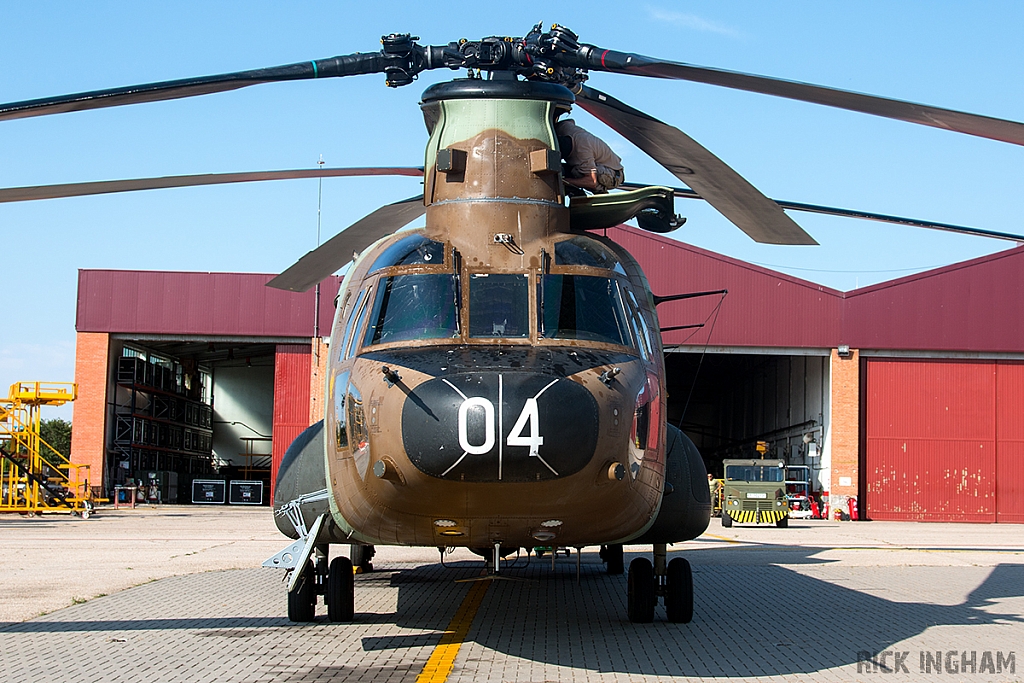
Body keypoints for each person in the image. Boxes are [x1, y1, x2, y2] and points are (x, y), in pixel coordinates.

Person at [555, 117, 624, 194]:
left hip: (613, 173)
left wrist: (563, 181)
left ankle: (599, 192)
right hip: (594, 160)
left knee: (578, 173)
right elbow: (571, 121)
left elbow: (591, 181)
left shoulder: (582, 152)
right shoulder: (562, 128)